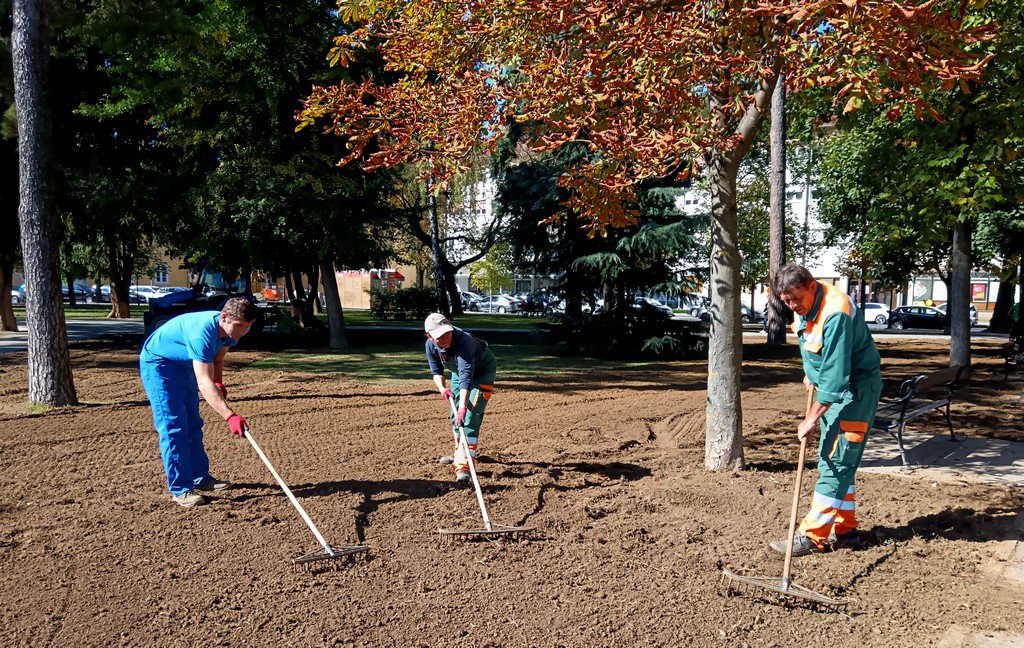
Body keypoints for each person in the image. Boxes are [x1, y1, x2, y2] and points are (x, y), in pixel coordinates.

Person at [770, 265, 882, 556]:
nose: (793, 306)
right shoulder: (805, 305)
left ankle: (811, 536)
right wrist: (811, 373)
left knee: (836, 462)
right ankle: (845, 530)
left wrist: (810, 418)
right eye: (786, 301)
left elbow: (836, 376)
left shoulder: (836, 311)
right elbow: (813, 343)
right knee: (834, 460)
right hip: (836, 391)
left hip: (854, 392)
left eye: (796, 298)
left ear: (811, 286)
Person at [139, 298, 258, 507]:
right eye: (240, 326)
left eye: (248, 327)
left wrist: (218, 381)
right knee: (173, 426)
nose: (243, 332)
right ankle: (181, 489)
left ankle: (200, 478)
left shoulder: (228, 332)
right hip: (160, 365)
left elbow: (218, 358)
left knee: (193, 423)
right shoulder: (201, 333)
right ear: (224, 318)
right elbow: (204, 383)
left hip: (185, 364)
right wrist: (229, 415)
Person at [423, 313, 496, 485]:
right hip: (457, 374)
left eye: (447, 332)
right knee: (455, 414)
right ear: (430, 336)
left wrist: (463, 406)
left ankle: (464, 465)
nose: (445, 338)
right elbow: (436, 372)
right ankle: (459, 454)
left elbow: (466, 376)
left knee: (469, 415)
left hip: (481, 373)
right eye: (439, 336)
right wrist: (443, 390)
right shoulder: (430, 346)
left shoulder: (465, 342)